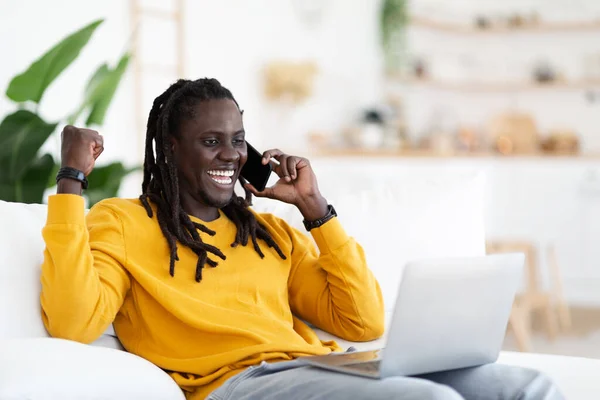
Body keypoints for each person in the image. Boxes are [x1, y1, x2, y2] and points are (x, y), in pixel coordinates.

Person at [40, 78, 563, 400]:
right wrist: (70, 179)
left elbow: (362, 321)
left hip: (315, 368)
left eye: (238, 142)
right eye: (210, 142)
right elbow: (70, 321)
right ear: (170, 149)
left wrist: (315, 209)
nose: (229, 155)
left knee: (527, 388)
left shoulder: (273, 232)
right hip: (238, 387)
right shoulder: (123, 222)